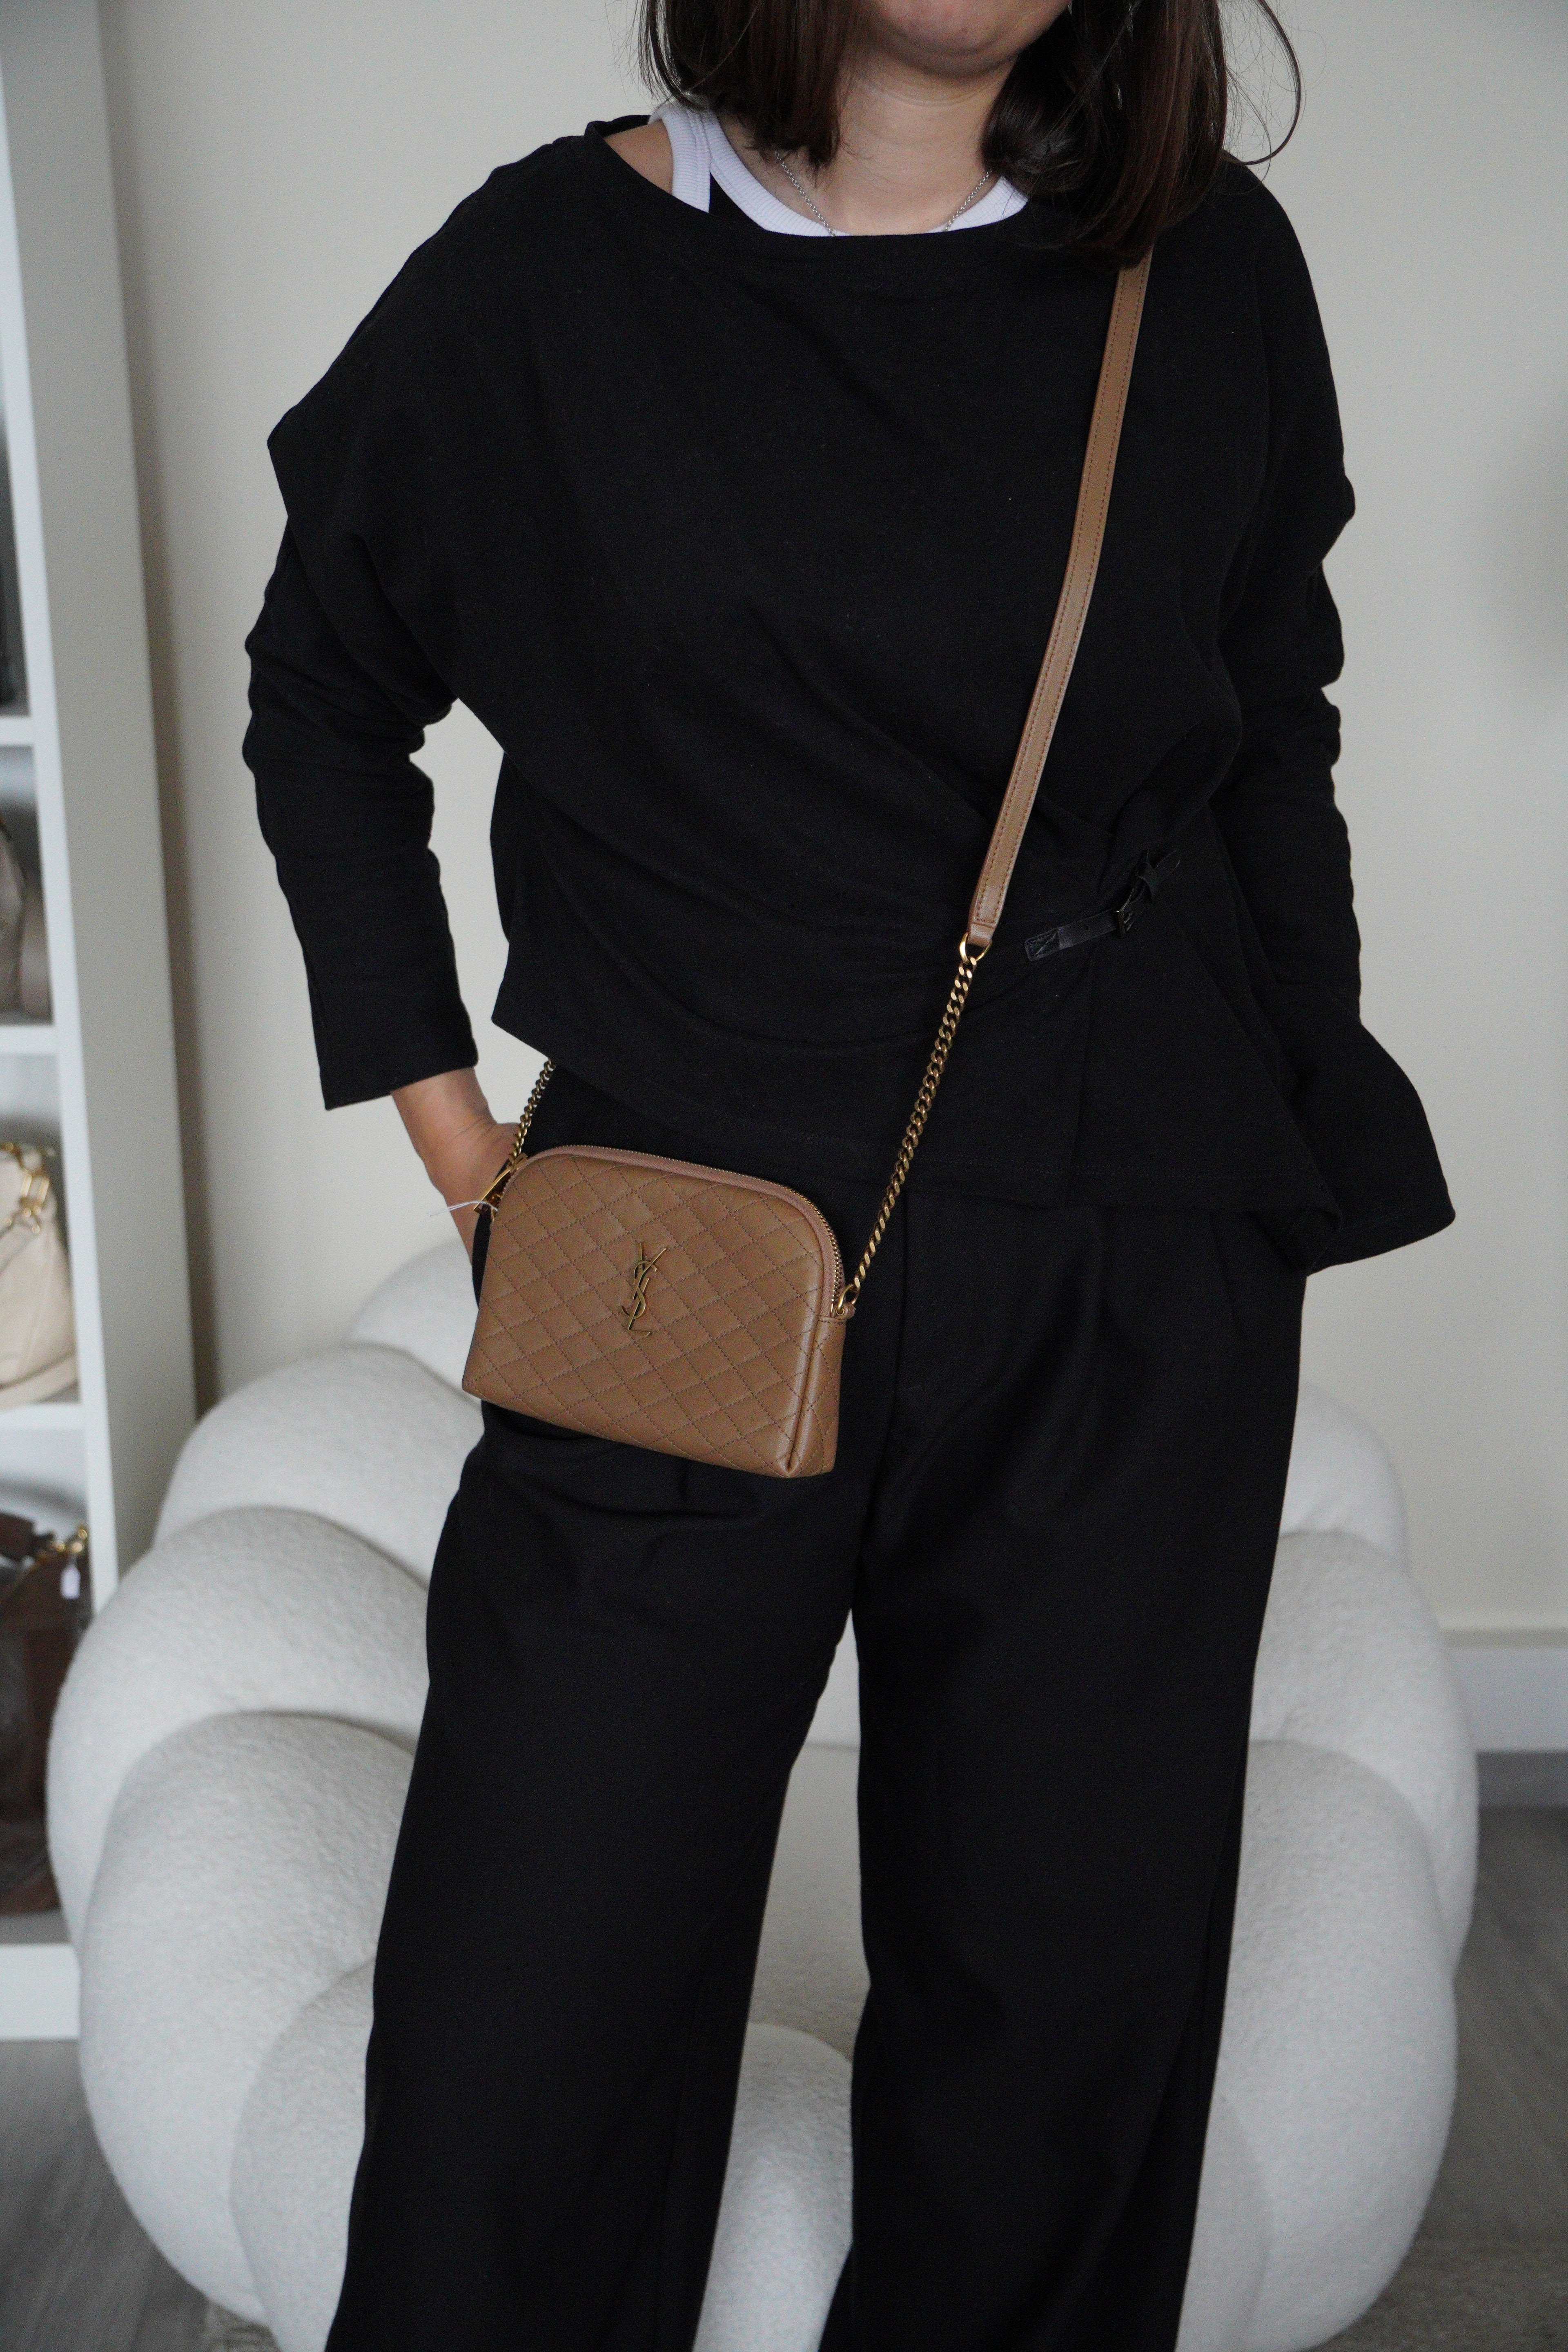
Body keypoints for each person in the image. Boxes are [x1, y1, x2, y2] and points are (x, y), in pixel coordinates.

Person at [243, 2, 1453, 2345]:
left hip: (1132, 1240)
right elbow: (326, 684)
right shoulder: (551, 272)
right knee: (533, 2011)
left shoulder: (1206, 267)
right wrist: (456, 1133)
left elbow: (1263, 722)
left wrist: (1281, 1139)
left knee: (1065, 2026)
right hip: (680, 1237)